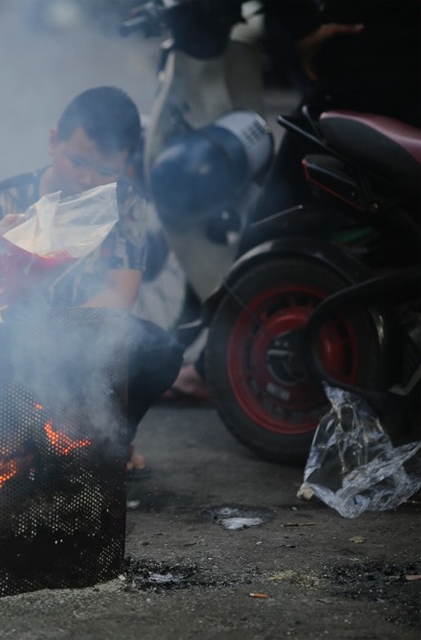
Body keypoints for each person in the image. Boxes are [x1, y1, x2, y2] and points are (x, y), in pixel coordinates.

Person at [167, 0, 421, 403]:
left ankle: (210, 367)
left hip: (367, 68)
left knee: (276, 214)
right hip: (387, 67)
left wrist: (301, 27)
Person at [0, 86, 183, 477]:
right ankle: (19, 445)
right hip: (8, 345)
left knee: (159, 350)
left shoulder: (125, 204)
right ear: (53, 142)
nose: (86, 179)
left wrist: (59, 335)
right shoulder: (4, 201)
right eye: (77, 161)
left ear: (125, 164)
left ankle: (104, 442)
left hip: (79, 340)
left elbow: (119, 292)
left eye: (105, 171)